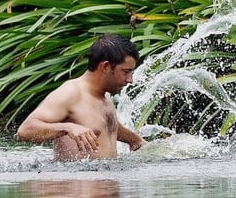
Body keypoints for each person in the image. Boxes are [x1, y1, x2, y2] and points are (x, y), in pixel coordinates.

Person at [16, 34, 145, 160]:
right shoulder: (70, 93)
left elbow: (105, 125)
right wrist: (68, 128)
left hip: (107, 177)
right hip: (75, 179)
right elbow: (25, 130)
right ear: (105, 66)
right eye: (126, 72)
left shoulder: (105, 95)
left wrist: (135, 140)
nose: (130, 80)